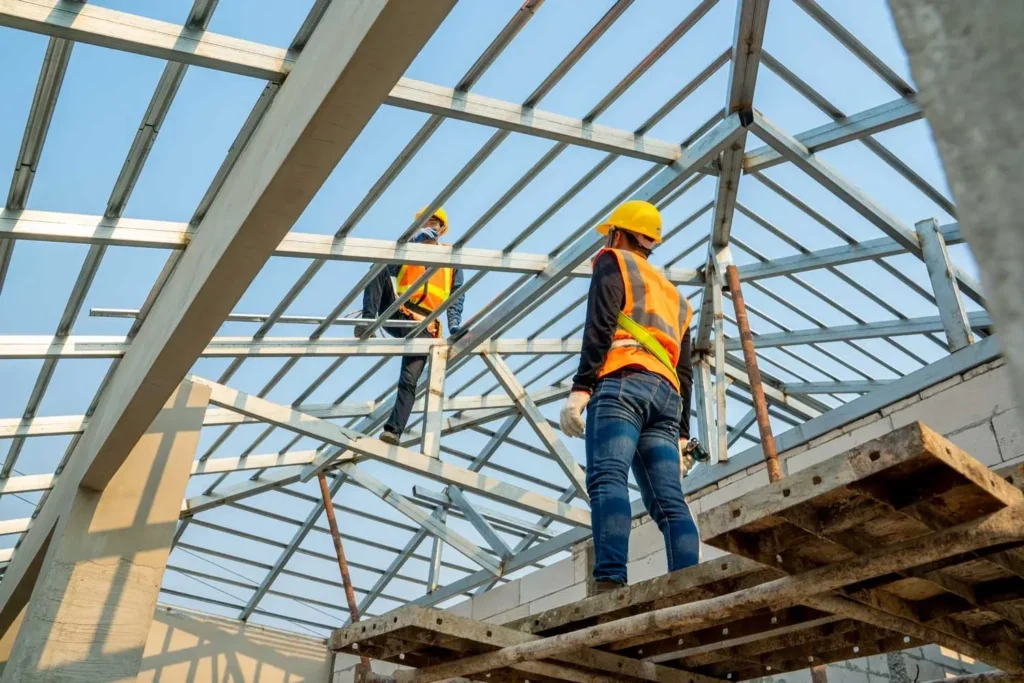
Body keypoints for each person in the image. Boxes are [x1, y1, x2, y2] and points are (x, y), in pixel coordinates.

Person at [559, 199, 698, 593]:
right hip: (667, 399)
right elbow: (684, 372)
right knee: (670, 501)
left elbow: (599, 323)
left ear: (618, 233)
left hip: (622, 382)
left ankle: (609, 583)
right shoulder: (679, 300)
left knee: (607, 477)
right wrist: (683, 434)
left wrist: (581, 388)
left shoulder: (612, 261)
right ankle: (688, 587)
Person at [356, 207, 465, 446]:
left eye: (433, 223)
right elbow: (385, 268)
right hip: (400, 314)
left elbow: (456, 296)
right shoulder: (410, 249)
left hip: (427, 327)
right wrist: (409, 245)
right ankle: (367, 319)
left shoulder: (451, 258)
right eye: (424, 223)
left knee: (409, 380)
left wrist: (454, 324)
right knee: (380, 264)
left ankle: (393, 431)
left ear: (442, 229)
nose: (428, 227)